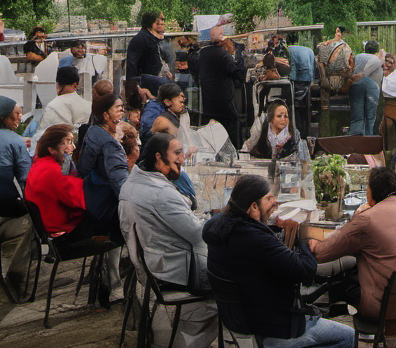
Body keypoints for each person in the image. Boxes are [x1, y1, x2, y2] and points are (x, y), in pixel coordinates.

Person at [204, 174, 354, 348]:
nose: (274, 203)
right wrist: (301, 238)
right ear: (253, 207)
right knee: (349, 337)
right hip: (274, 328)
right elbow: (305, 270)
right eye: (268, 199)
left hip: (241, 320)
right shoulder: (256, 239)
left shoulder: (216, 226)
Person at [312, 168, 396, 333]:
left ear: (371, 193)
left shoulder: (366, 219)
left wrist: (311, 240)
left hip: (388, 311)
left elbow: (321, 253)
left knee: (344, 282)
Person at [119, 133, 217, 348]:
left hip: (152, 265)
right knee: (236, 286)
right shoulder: (160, 192)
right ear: (158, 158)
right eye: (177, 153)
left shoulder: (133, 181)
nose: (182, 158)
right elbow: (200, 235)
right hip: (169, 270)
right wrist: (219, 221)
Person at [25, 124, 96, 244]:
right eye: (68, 142)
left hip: (44, 224)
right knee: (106, 226)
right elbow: (76, 199)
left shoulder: (38, 165)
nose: (73, 147)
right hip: (58, 229)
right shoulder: (51, 171)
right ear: (52, 149)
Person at [77, 92, 130, 238]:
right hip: (105, 207)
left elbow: (83, 168)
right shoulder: (110, 145)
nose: (122, 111)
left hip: (92, 197)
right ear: (106, 115)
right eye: (118, 108)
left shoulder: (93, 131)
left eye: (122, 108)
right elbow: (120, 185)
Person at [0, 97, 32, 298]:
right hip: (7, 209)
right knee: (27, 224)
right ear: (5, 118)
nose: (18, 117)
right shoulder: (14, 141)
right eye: (16, 113)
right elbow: (25, 180)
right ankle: (17, 281)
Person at [197, 26, 245, 148]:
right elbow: (237, 74)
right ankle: (235, 152)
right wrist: (233, 54)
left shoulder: (202, 53)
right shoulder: (224, 55)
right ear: (222, 38)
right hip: (224, 102)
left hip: (207, 101)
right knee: (232, 127)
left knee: (210, 131)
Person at [37, 65, 91, 137]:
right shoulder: (89, 106)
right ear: (76, 85)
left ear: (57, 85)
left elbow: (42, 135)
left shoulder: (52, 106)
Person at [348, 40, 383, 137]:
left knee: (356, 115)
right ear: (377, 50)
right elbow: (365, 74)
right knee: (370, 116)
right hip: (371, 89)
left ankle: (355, 137)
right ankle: (368, 138)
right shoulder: (377, 60)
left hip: (355, 86)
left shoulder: (358, 56)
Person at [126, 10, 170, 82]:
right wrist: (134, 85)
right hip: (147, 84)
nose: (163, 23)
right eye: (161, 20)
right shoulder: (140, 39)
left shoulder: (157, 38)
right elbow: (132, 66)